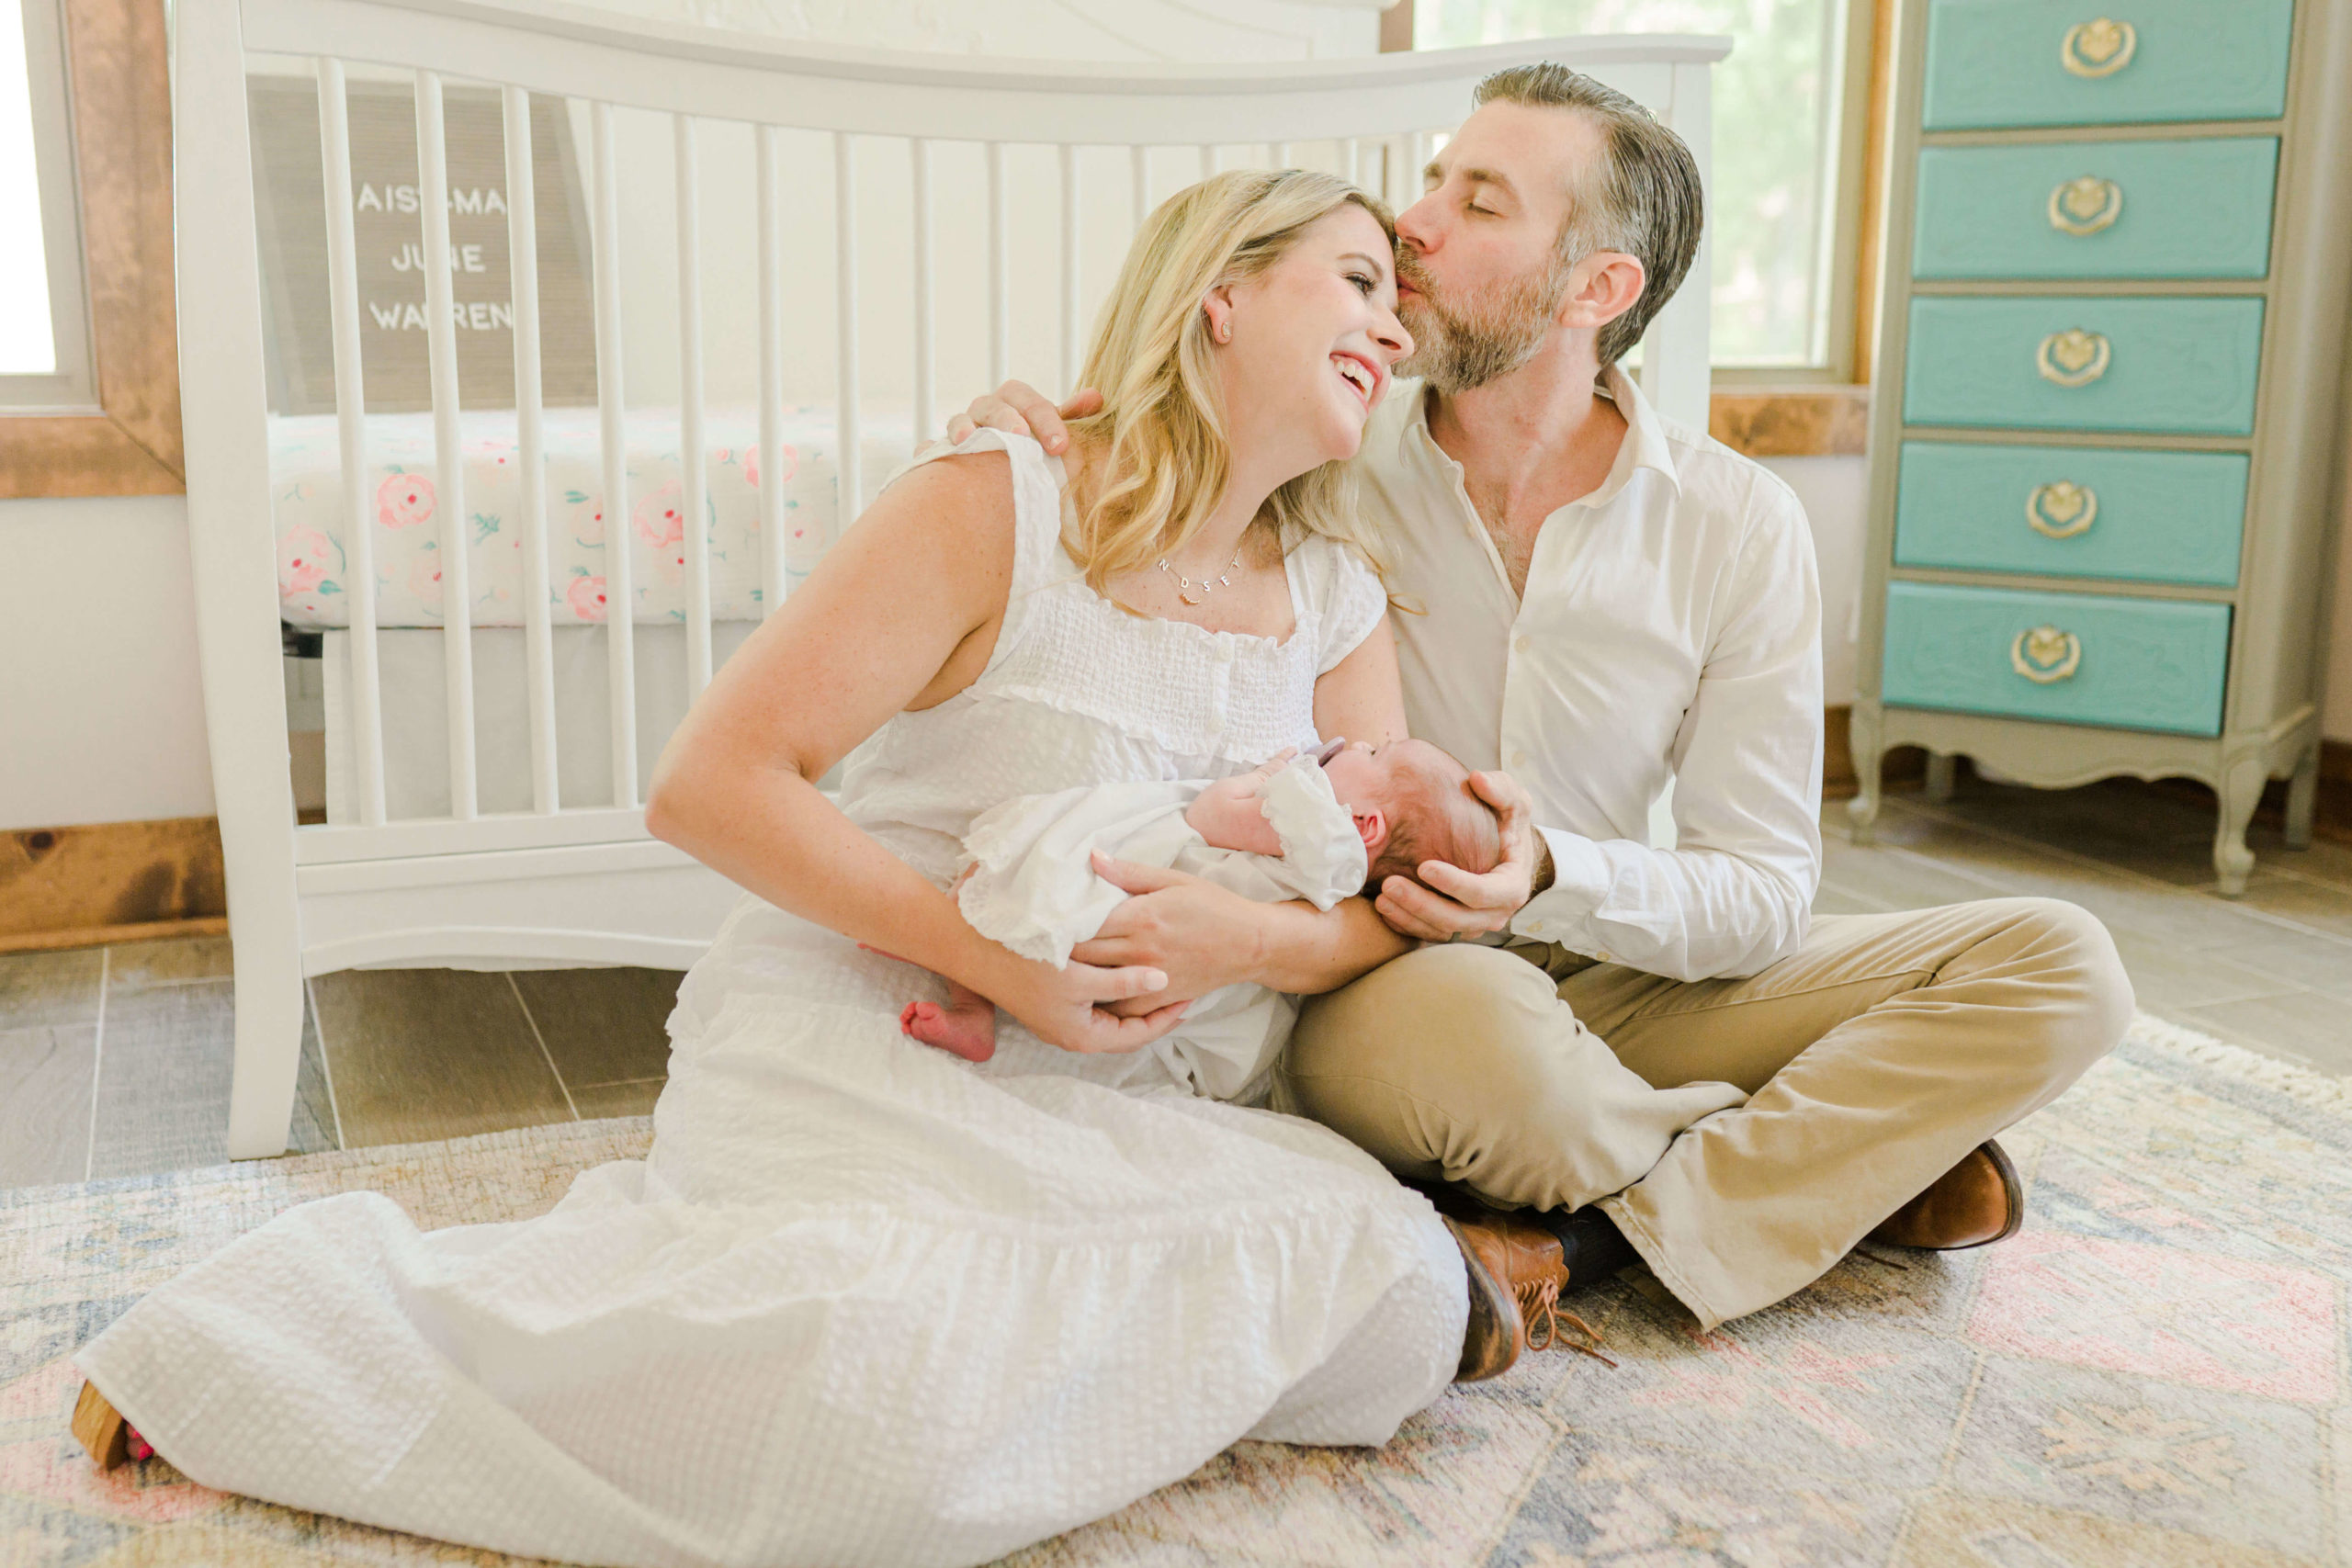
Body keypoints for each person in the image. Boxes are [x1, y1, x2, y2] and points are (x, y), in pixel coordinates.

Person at [68, 169, 1589, 1568]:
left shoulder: (1333, 599)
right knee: (879, 1388)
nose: (1391, 323)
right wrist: (995, 962)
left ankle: (1409, 1281)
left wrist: (1234, 949)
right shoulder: (999, 502)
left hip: (1128, 1103)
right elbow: (710, 785)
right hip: (872, 1043)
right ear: (1222, 292)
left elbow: (1373, 916)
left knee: (1367, 1272)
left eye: (1401, 299)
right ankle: (285, 1343)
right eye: (1353, 278)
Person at [944, 63, 2137, 1334]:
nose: (1417, 222)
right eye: (1435, 178)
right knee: (1508, 1067)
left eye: (1481, 200)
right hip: (1406, 978)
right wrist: (1033, 422)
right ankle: (1837, 1173)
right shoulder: (1330, 451)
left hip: (1636, 972)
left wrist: (1556, 869)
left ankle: (1594, 1236)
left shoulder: (1735, 523)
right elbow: (1161, 453)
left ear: (1597, 288)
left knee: (2066, 967)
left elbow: (1763, 893)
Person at [893, 736, 1501, 1080]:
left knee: (1017, 876)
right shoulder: (1342, 872)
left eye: (1376, 756)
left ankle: (971, 1001)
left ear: (1367, 825)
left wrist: (1270, 776)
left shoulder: (1317, 823)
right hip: (1198, 974)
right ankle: (978, 1006)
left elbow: (1213, 815)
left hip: (1157, 896)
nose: (1363, 742)